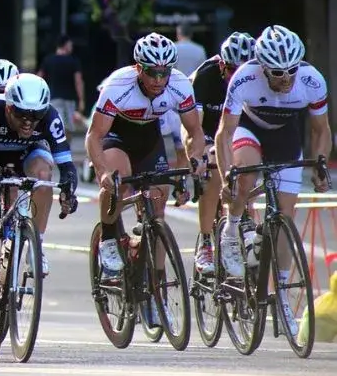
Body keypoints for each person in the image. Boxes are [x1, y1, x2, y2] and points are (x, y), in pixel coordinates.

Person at [215, 26, 331, 338]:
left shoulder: (312, 80)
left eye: (291, 70)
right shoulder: (244, 78)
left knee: (285, 216)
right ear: (263, 68)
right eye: (278, 72)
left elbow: (321, 130)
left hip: (285, 135)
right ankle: (231, 228)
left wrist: (320, 166)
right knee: (246, 172)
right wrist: (228, 172)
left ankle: (280, 288)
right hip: (249, 129)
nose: (286, 78)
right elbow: (225, 133)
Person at [86, 33, 206, 328]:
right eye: (152, 72)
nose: (158, 79)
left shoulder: (178, 84)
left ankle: (155, 289)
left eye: (164, 72)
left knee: (158, 206)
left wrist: (196, 159)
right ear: (138, 68)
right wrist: (101, 172)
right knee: (116, 181)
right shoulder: (118, 85)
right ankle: (110, 239)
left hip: (149, 139)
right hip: (117, 136)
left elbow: (194, 131)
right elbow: (94, 136)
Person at [0, 73, 78, 333]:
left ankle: (37, 243)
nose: (28, 122)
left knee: (44, 176)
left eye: (35, 116)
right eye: (22, 114)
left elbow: (66, 166)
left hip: (26, 156)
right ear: (8, 106)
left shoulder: (49, 116)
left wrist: (69, 191)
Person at [183, 31, 255, 274]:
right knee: (213, 173)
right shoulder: (206, 76)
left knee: (247, 171)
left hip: (234, 129)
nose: (238, 77)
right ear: (223, 66)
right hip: (204, 126)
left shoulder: (255, 79)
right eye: (233, 71)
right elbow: (195, 127)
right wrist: (200, 156)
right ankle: (205, 241)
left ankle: (244, 222)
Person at [38, 36, 85, 132]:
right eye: (70, 45)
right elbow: (78, 81)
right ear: (66, 45)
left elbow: (39, 78)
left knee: (56, 125)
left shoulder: (48, 60)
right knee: (68, 128)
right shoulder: (74, 61)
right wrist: (81, 99)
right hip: (69, 99)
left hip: (54, 98)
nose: (71, 47)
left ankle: (57, 146)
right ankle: (66, 146)